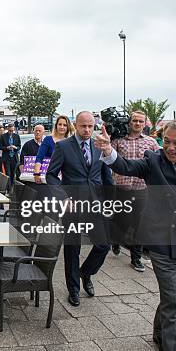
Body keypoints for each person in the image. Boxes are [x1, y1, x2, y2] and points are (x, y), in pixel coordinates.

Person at [96, 119, 176, 351]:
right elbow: (126, 167)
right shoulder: (153, 161)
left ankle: (159, 331)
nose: (171, 148)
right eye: (166, 141)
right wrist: (108, 151)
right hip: (162, 245)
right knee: (174, 303)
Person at [45, 111, 113, 308]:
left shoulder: (99, 146)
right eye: (84, 126)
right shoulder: (63, 147)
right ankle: (73, 288)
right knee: (72, 249)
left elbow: (105, 176)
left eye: (91, 126)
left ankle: (86, 272)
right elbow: (51, 176)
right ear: (76, 125)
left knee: (103, 245)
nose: (87, 130)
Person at [109, 111, 160, 272]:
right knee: (121, 222)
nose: (137, 124)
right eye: (135, 121)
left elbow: (159, 163)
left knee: (140, 225)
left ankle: (136, 258)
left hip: (141, 189)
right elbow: (108, 158)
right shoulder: (118, 141)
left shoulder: (151, 143)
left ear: (145, 124)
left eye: (140, 121)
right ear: (129, 123)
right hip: (121, 188)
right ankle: (116, 240)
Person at [34, 115, 74, 183]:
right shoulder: (48, 139)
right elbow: (39, 158)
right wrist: (36, 173)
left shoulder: (71, 142)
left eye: (65, 125)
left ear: (68, 127)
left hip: (66, 178)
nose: (62, 127)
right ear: (56, 126)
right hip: (50, 177)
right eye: (60, 124)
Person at [0, 123, 21, 189]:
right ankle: (9, 188)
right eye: (10, 130)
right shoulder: (3, 136)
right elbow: (0, 147)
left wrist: (15, 147)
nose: (11, 132)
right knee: (7, 173)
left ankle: (12, 187)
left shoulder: (16, 136)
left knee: (13, 174)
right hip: (6, 157)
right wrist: (6, 148)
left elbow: (19, 146)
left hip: (14, 157)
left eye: (12, 131)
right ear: (7, 129)